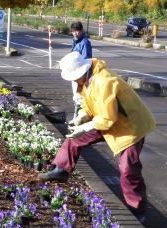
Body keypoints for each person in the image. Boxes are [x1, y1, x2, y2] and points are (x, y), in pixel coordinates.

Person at [39, 52, 155, 222]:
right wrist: (82, 118)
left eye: (74, 77)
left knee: (128, 169)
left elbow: (109, 118)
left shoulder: (104, 81)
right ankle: (61, 169)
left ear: (81, 72)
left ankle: (137, 209)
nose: (73, 81)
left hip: (130, 127)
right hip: (107, 119)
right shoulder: (87, 81)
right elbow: (91, 106)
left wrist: (86, 126)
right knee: (74, 138)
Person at [70, 21, 92, 119]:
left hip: (82, 74)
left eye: (78, 31)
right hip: (75, 72)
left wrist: (85, 78)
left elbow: (87, 61)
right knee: (76, 96)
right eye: (74, 31)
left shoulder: (85, 42)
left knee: (79, 97)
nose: (76, 33)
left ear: (81, 31)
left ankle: (78, 118)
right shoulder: (74, 40)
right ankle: (77, 117)